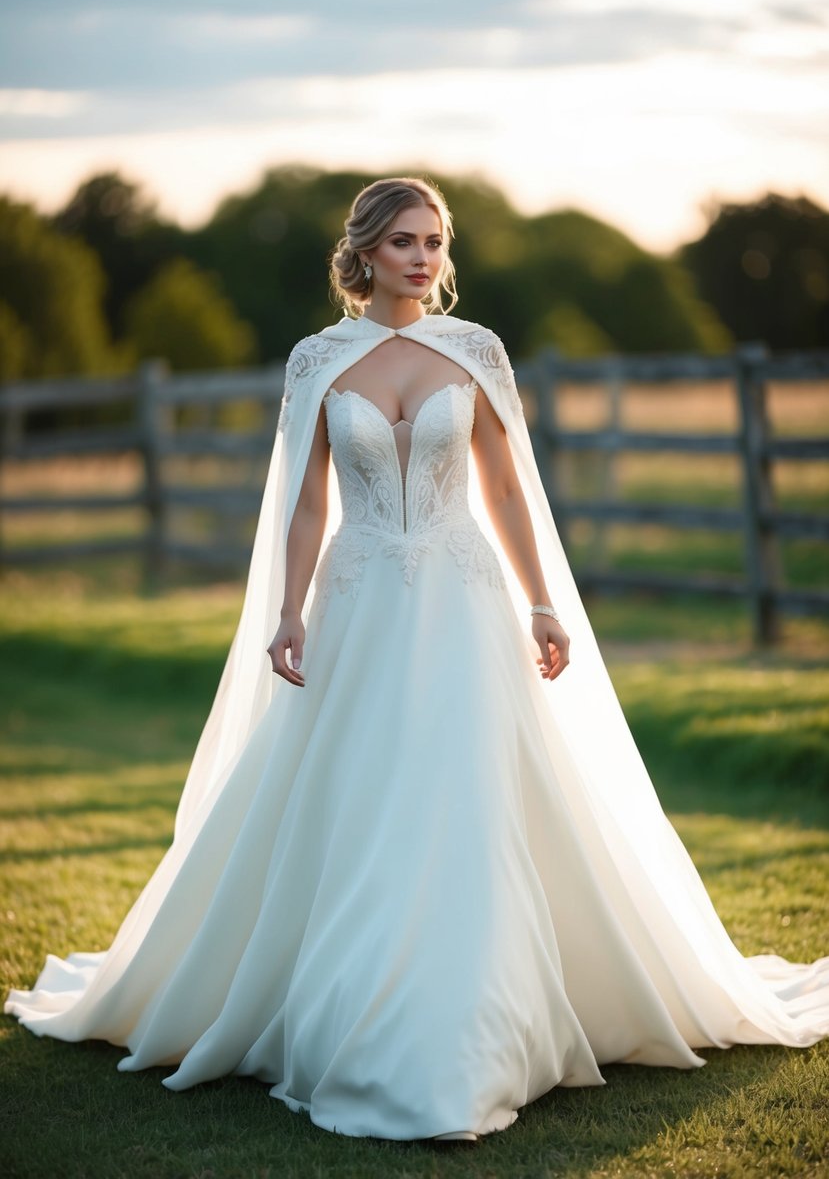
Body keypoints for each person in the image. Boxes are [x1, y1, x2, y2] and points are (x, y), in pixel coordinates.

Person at [5, 177, 829, 1144]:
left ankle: (469, 1031)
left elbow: (509, 492)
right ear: (361, 253)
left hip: (464, 597)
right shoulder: (317, 360)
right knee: (361, 795)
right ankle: (361, 1012)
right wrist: (286, 610)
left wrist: (539, 601)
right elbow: (306, 502)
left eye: (434, 241)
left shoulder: (474, 351)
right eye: (403, 241)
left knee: (465, 793)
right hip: (358, 602)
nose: (423, 257)